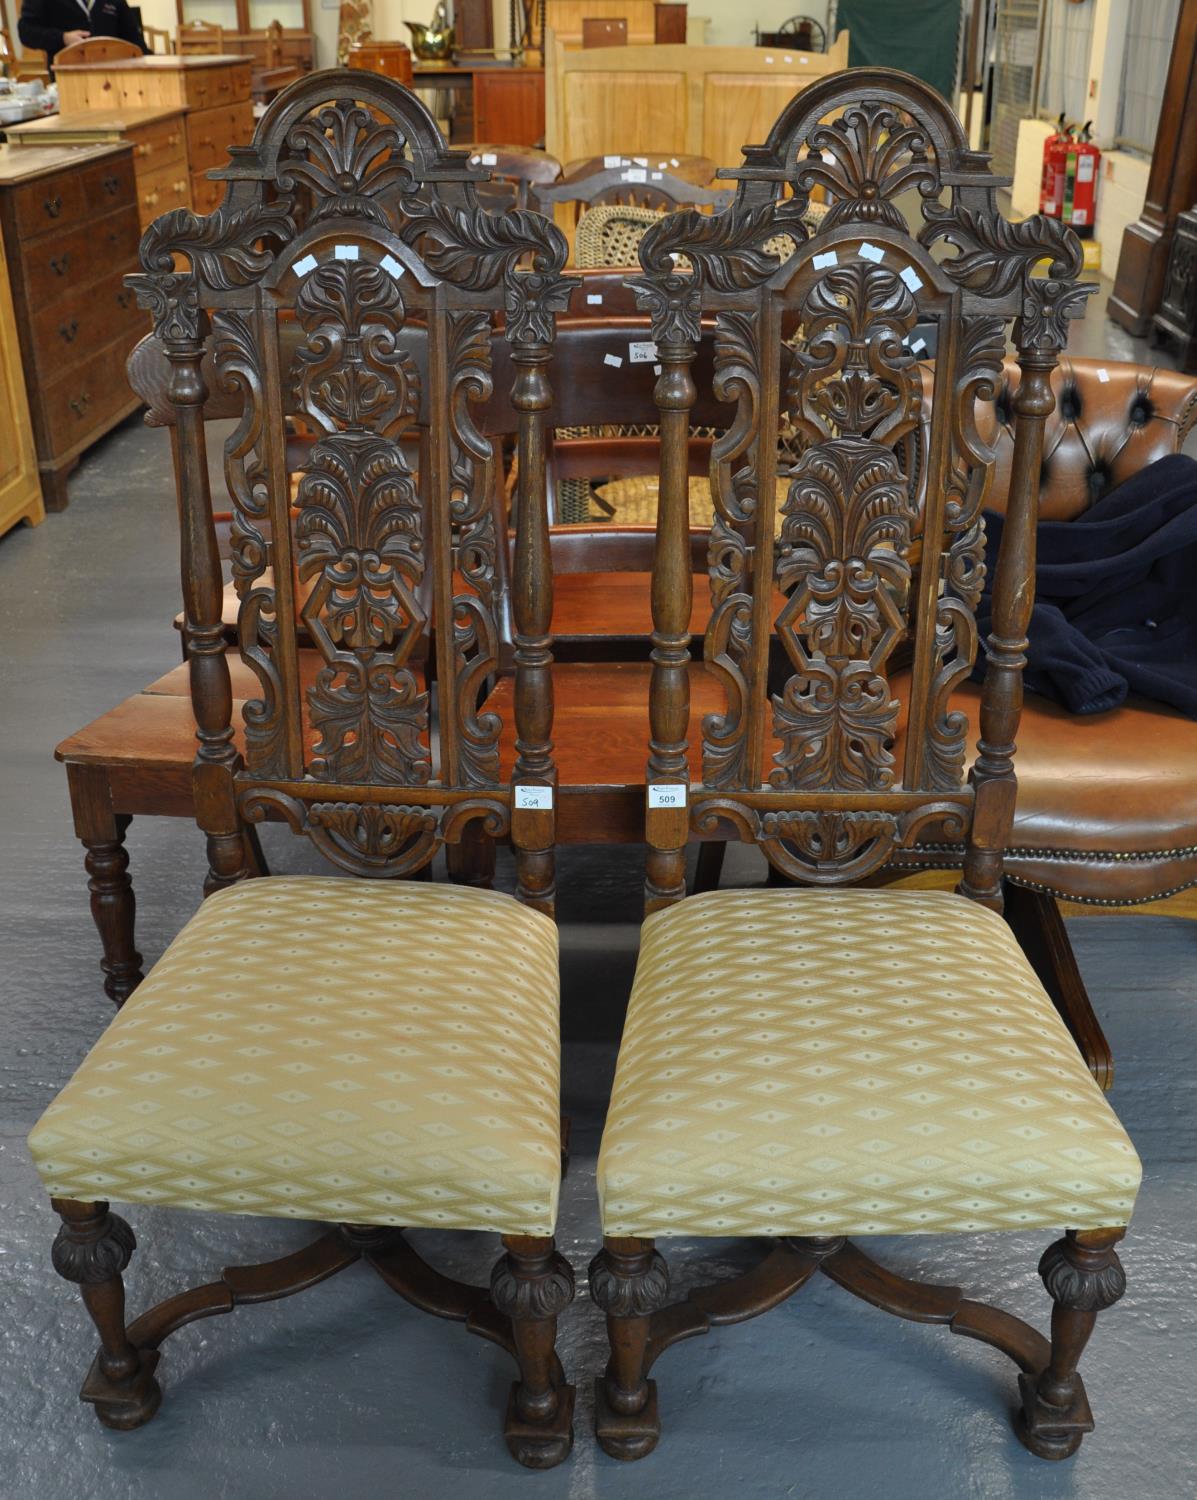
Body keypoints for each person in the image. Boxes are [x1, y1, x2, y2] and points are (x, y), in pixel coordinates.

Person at [18, 0, 147, 64]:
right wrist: (63, 38)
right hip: (68, 80)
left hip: (115, 77)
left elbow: (134, 39)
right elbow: (26, 32)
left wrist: (150, 60)